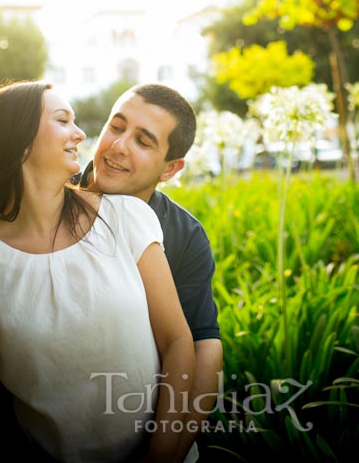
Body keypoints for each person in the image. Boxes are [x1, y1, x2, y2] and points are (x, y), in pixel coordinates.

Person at [0, 80, 195, 463]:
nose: (80, 134)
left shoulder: (127, 217)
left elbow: (178, 342)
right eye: (62, 120)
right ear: (21, 141)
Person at [75, 83, 223, 456]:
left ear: (170, 168)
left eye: (143, 142)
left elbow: (204, 344)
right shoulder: (49, 200)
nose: (119, 145)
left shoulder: (185, 235)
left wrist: (170, 448)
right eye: (116, 126)